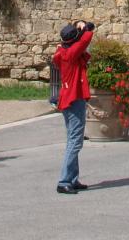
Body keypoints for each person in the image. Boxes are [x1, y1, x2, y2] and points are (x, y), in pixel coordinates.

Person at [52, 18, 94, 194]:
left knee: (72, 139)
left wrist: (79, 27)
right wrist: (87, 28)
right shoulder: (70, 54)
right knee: (75, 141)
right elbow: (84, 40)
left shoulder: (63, 52)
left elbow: (79, 44)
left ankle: (73, 178)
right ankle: (64, 181)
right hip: (73, 99)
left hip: (68, 99)